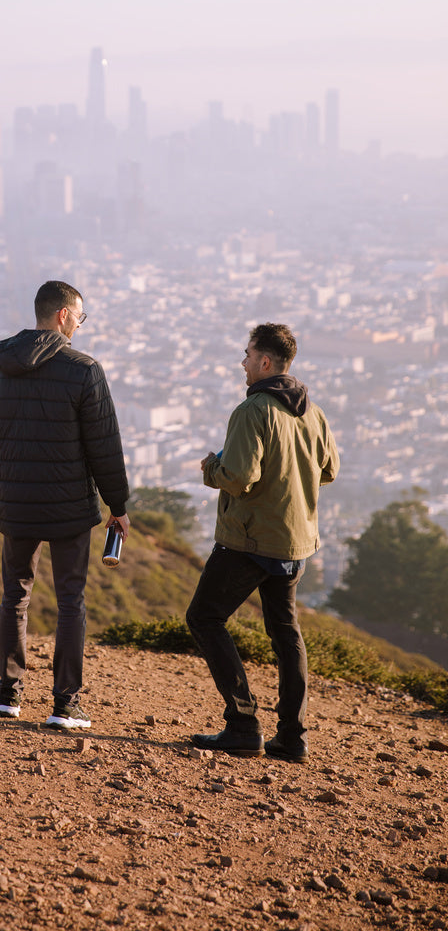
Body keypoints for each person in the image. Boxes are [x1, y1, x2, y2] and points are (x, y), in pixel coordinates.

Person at [0, 280, 130, 729]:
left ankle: (8, 694)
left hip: (16, 499)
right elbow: (105, 446)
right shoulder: (83, 369)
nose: (80, 325)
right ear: (63, 315)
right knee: (70, 601)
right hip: (68, 507)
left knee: (14, 595)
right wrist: (117, 505)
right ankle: (65, 704)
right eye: (80, 317)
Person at [186, 323, 339, 761]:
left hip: (250, 539)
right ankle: (292, 738)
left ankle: (243, 724)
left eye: (248, 354)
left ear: (265, 362)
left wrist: (211, 467)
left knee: (205, 617)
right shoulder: (313, 411)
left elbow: (238, 477)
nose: (243, 361)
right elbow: (329, 471)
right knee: (286, 633)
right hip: (295, 542)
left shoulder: (253, 410)